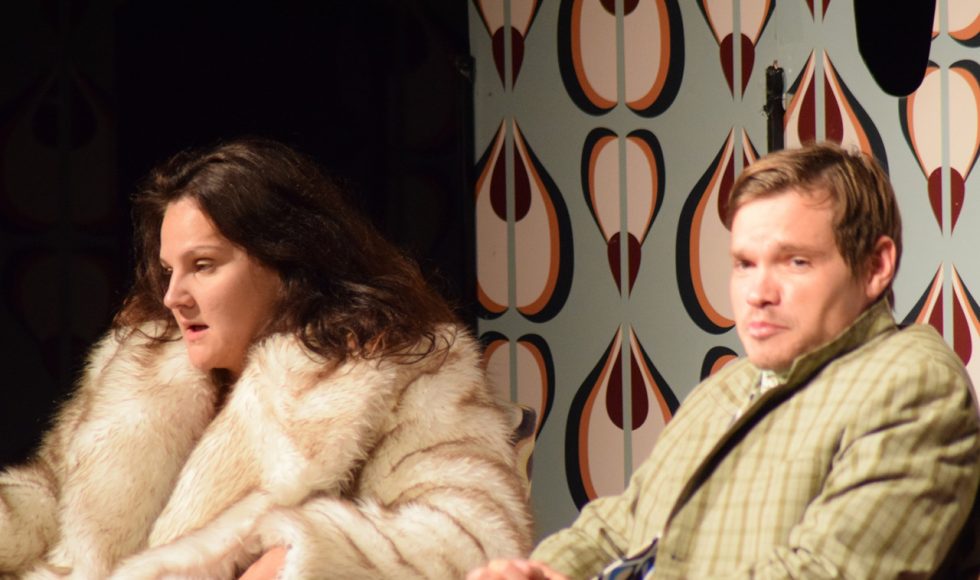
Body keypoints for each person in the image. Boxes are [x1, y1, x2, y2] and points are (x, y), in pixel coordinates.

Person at [0, 138, 533, 578]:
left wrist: (301, 556)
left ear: (287, 263)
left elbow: (474, 533)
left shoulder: (393, 371)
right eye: (167, 271)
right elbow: (50, 498)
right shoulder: (138, 366)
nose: (173, 297)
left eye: (203, 265)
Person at [469, 142, 980, 579]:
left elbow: (826, 573)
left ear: (875, 266)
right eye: (744, 264)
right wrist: (539, 572)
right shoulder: (729, 386)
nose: (758, 293)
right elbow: (622, 526)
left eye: (795, 261)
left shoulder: (911, 382)